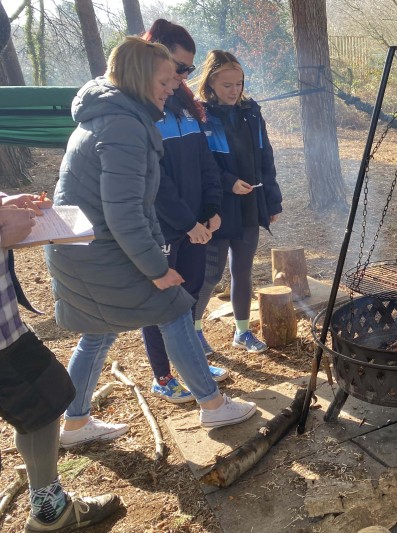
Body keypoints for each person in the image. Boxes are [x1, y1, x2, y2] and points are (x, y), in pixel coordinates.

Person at [45, 37, 257, 449]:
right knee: (175, 307)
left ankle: (74, 423)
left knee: (98, 334)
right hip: (97, 252)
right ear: (141, 78)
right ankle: (213, 406)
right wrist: (157, 269)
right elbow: (125, 211)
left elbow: (128, 205)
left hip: (83, 249)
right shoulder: (122, 125)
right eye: (165, 79)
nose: (174, 86)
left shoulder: (116, 114)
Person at [0, 195, 121, 532]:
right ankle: (51, 513)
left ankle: (48, 503)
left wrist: (8, 204)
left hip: (7, 329)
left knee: (38, 405)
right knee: (43, 401)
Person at [140, 19, 228, 404]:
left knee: (191, 296)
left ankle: (191, 362)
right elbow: (155, 181)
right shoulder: (145, 109)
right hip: (164, 228)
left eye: (188, 69)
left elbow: (206, 161)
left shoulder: (187, 107)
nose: (182, 77)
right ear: (154, 59)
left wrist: (212, 207)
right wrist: (186, 222)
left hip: (196, 223)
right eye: (178, 68)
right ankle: (163, 377)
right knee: (161, 302)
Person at [192, 50, 282, 354]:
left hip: (249, 205)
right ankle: (194, 331)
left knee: (242, 270)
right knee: (210, 274)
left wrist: (272, 200)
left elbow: (265, 156)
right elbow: (200, 163)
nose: (234, 91)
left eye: (239, 84)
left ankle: (242, 332)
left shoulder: (251, 112)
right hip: (215, 207)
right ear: (211, 83)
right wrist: (228, 182)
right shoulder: (200, 115)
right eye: (227, 85)